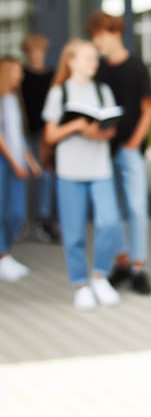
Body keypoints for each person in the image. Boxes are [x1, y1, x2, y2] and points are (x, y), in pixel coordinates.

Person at [42, 38, 123, 309]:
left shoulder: (103, 91)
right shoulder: (59, 93)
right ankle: (80, 284)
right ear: (71, 61)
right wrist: (77, 125)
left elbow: (110, 130)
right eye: (88, 58)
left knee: (110, 222)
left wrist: (99, 132)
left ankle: (100, 275)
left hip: (100, 169)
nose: (94, 63)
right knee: (74, 232)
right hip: (69, 172)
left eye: (95, 58)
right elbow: (50, 135)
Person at [85, 11, 151, 295]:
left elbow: (148, 112)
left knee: (137, 208)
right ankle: (122, 263)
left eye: (99, 36)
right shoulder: (98, 70)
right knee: (113, 212)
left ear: (114, 32)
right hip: (103, 150)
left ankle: (138, 267)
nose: (96, 42)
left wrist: (133, 143)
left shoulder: (137, 67)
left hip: (130, 151)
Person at [0, 56, 41, 282]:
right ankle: (3, 257)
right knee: (1, 211)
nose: (21, 76)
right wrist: (15, 164)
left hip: (17, 165)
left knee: (16, 212)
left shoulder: (14, 98)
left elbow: (18, 137)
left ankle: (5, 253)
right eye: (17, 71)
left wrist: (31, 162)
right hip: (4, 164)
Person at [20, 33, 60, 243]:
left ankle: (43, 220)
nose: (36, 55)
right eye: (32, 52)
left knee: (46, 176)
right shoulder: (22, 76)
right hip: (24, 134)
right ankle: (22, 220)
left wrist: (49, 135)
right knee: (22, 176)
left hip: (45, 134)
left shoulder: (51, 76)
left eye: (39, 51)